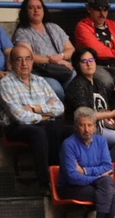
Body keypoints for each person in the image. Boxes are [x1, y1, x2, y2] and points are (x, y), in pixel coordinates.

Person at [0, 43, 72, 187]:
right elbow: (20, 117)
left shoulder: (40, 81)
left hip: (43, 123)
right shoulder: (5, 84)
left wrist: (34, 109)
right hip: (16, 127)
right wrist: (46, 113)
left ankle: (64, 177)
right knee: (39, 132)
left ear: (33, 61)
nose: (24, 63)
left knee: (69, 130)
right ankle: (45, 182)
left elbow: (59, 108)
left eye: (28, 58)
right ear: (11, 62)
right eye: (19, 59)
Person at [58, 107, 115, 218]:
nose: (86, 129)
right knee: (110, 194)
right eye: (82, 125)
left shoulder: (101, 141)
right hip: (70, 187)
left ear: (95, 126)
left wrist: (84, 171)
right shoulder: (68, 144)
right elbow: (72, 177)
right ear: (76, 127)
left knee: (107, 185)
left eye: (90, 125)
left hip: (96, 185)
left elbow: (108, 167)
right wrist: (98, 177)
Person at [64, 47, 115, 159]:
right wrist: (110, 114)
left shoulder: (99, 84)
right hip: (86, 128)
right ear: (77, 65)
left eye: (91, 60)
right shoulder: (77, 85)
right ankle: (107, 165)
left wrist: (114, 115)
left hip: (102, 125)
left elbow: (104, 109)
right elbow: (85, 116)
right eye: (84, 61)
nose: (89, 64)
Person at [13, 0, 73, 100]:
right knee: (56, 89)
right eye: (31, 8)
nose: (36, 10)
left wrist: (61, 56)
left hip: (62, 69)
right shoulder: (22, 32)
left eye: (39, 7)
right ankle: (60, 110)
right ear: (25, 11)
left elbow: (71, 49)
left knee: (76, 82)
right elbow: (28, 57)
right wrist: (54, 61)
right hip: (40, 71)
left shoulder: (54, 27)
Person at [74, 0, 115, 88]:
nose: (102, 13)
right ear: (89, 9)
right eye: (98, 9)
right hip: (98, 66)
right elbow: (97, 52)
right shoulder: (82, 27)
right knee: (105, 82)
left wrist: (113, 44)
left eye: (105, 9)